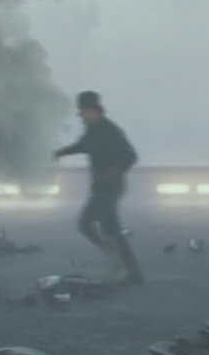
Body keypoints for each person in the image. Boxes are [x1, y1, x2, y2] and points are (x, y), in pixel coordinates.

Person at [53, 91, 144, 286]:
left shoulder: (110, 131)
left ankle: (119, 262)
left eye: (84, 111)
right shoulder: (92, 131)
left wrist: (114, 171)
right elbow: (81, 146)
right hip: (100, 188)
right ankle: (130, 269)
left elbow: (130, 156)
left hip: (110, 188)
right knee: (108, 229)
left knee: (90, 224)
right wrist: (60, 152)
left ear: (94, 111)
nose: (81, 116)